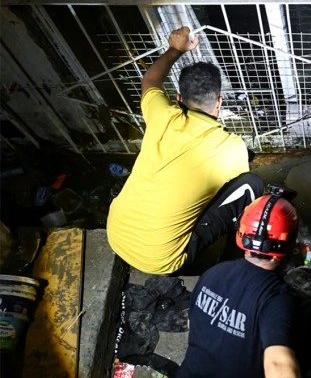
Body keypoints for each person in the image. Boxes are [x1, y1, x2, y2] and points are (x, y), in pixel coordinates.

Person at [107, 26, 263, 275]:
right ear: (219, 102)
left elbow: (150, 80)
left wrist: (175, 49)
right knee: (251, 183)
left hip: (115, 233)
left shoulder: (162, 115)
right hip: (162, 261)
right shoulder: (232, 147)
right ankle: (238, 255)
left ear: (179, 98)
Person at [177, 187, 301, 378]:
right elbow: (278, 364)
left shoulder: (212, 273)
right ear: (291, 245)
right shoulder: (277, 299)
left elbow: (193, 322)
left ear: (241, 235)